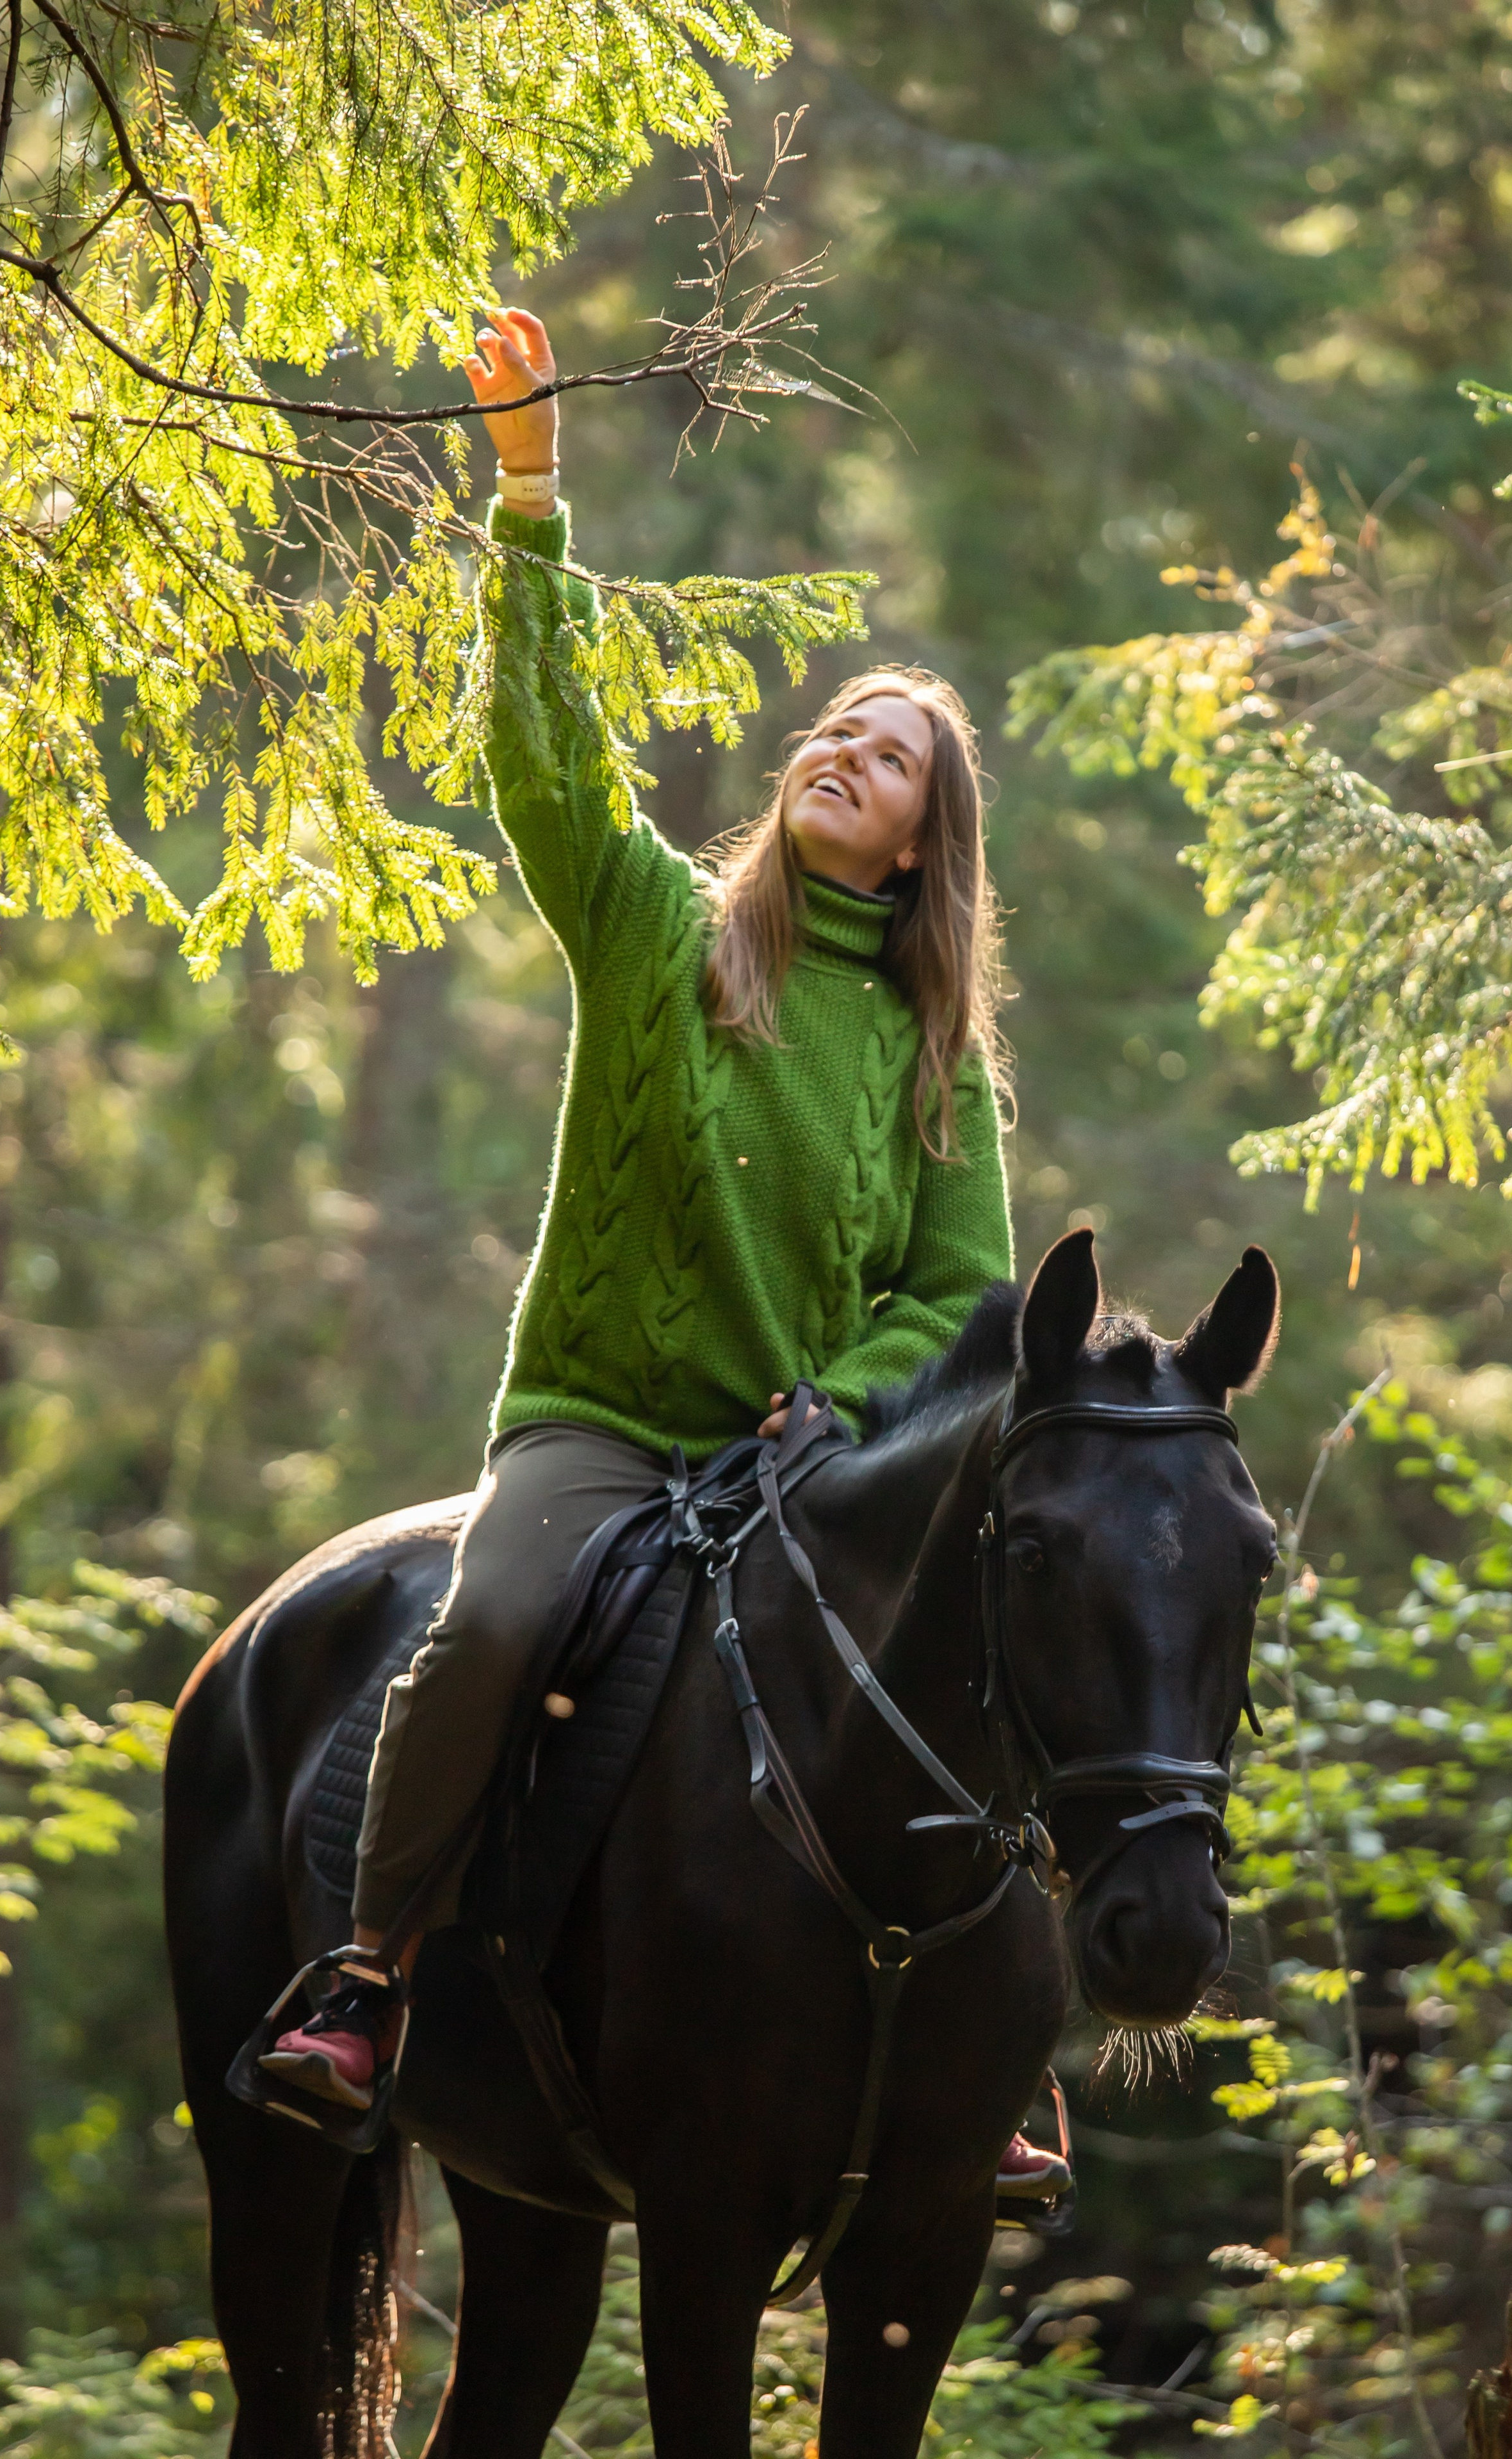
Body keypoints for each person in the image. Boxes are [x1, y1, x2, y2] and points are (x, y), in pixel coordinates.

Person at [261, 309, 1069, 2202]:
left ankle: (998, 2064)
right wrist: (532, 494)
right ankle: (368, 1975)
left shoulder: (941, 1058)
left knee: (1008, 1637)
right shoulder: (657, 928)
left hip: (806, 1461)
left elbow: (963, 1299)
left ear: (920, 846)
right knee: (490, 1623)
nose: (844, 752)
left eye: (889, 756)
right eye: (836, 730)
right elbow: (546, 760)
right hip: (605, 1432)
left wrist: (842, 1403)